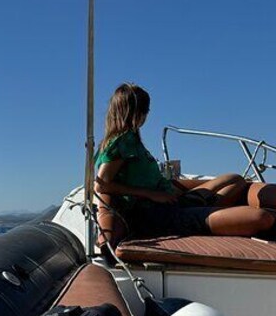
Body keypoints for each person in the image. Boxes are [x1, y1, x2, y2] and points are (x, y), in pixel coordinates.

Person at [94, 82, 276, 242]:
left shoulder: (129, 140)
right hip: (158, 215)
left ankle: (210, 211)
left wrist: (168, 191)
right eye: (145, 111)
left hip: (173, 201)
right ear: (135, 112)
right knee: (261, 217)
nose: (146, 116)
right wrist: (151, 194)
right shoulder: (121, 143)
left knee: (235, 179)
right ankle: (212, 216)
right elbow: (101, 185)